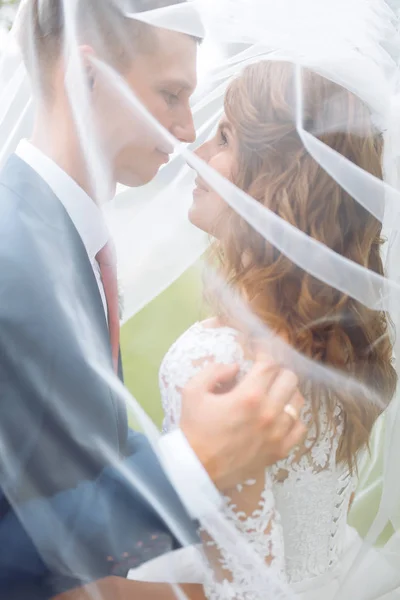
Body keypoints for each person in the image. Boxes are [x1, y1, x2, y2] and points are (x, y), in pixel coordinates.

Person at [0, 1, 306, 599]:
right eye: (171, 95)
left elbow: (70, 455)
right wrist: (192, 465)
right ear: (88, 79)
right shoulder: (11, 260)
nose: (189, 129)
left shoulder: (68, 235)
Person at [158, 60, 397, 599]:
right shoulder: (348, 338)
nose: (196, 154)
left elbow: (247, 589)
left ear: (274, 180)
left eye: (223, 137)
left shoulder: (213, 359)